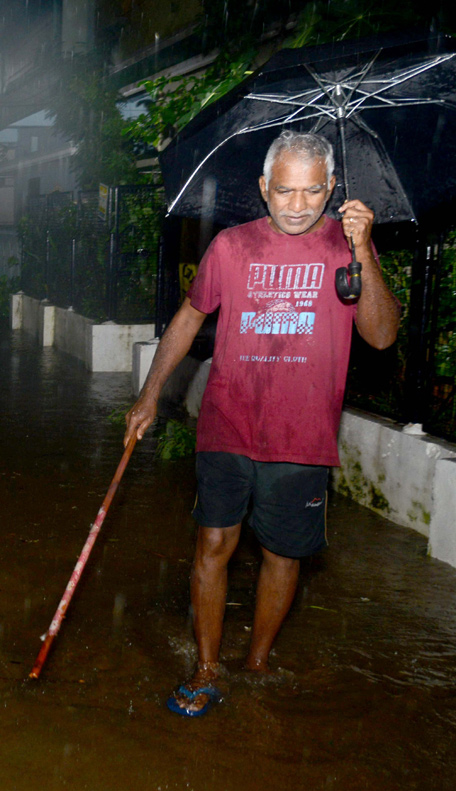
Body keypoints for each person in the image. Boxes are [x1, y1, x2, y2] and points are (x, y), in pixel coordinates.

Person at [124, 130, 401, 717]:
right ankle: (205, 667)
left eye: (310, 192)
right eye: (284, 191)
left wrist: (365, 250)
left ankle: (257, 664)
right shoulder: (232, 247)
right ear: (263, 188)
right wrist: (150, 396)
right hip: (228, 422)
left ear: (330, 188)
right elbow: (186, 318)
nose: (297, 205)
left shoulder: (346, 250)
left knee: (283, 554)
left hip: (302, 438)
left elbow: (380, 335)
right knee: (214, 542)